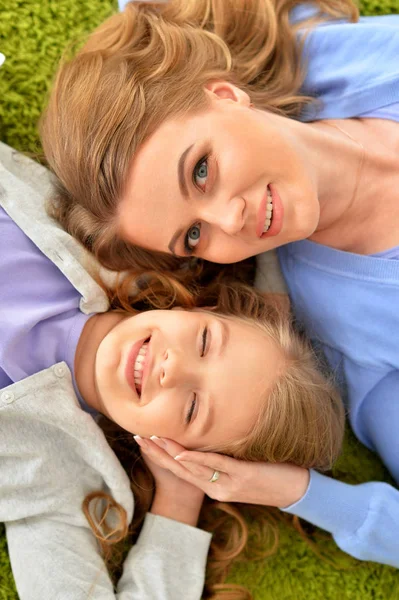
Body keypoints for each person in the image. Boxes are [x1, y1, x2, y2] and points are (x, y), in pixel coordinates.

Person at [38, 0, 399, 569]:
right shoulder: (354, 343)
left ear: (224, 94)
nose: (230, 221)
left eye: (201, 169)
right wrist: (296, 492)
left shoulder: (328, 57)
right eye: (193, 236)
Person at [0, 143, 344, 599]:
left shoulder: (52, 475)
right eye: (204, 340)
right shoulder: (107, 227)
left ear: (181, 453)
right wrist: (270, 282)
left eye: (193, 407)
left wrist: (181, 497)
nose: (172, 367)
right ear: (203, 308)